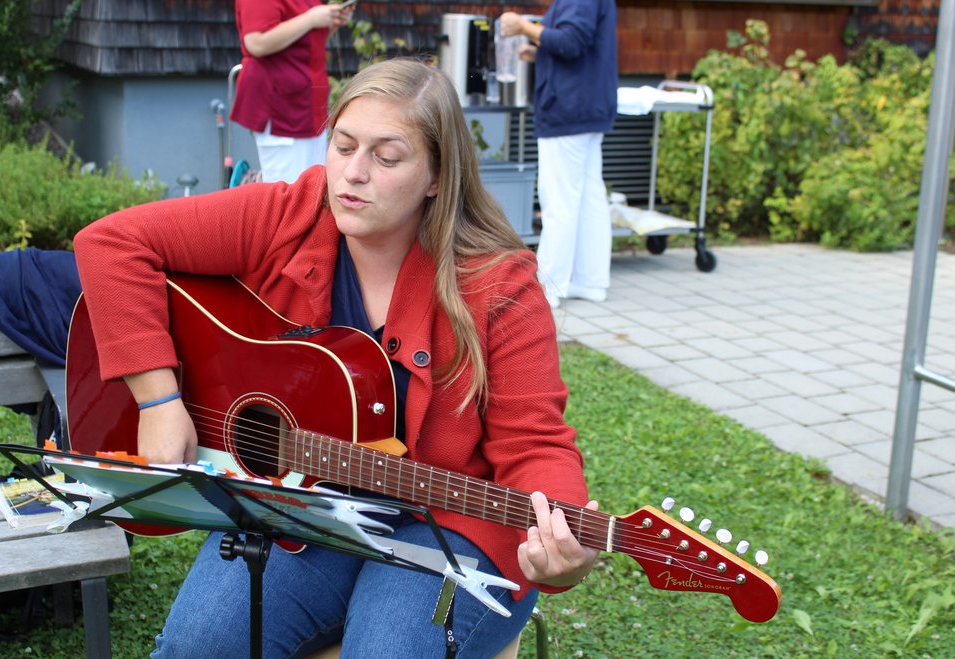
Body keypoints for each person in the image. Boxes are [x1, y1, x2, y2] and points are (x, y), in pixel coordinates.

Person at [73, 58, 598, 658]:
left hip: (448, 527)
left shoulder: (499, 285)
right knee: (195, 647)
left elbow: (536, 443)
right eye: (342, 146)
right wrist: (160, 400)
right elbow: (111, 244)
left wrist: (565, 540)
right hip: (304, 508)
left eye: (386, 156)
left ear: (436, 177)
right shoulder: (288, 215)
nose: (353, 173)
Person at [500, 2, 618, 308]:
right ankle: (590, 282)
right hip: (587, 105)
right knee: (589, 196)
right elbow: (580, 48)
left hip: (568, 107)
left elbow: (571, 43)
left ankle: (547, 288)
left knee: (559, 199)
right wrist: (539, 53)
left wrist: (524, 27)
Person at [230, 0, 354, 184]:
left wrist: (331, 23)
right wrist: (311, 19)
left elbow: (304, 43)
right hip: (282, 106)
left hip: (308, 102)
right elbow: (256, 42)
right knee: (288, 189)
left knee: (313, 185)